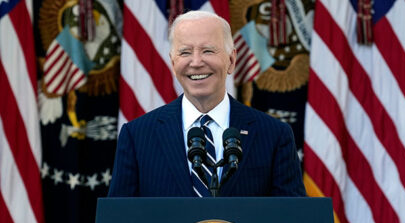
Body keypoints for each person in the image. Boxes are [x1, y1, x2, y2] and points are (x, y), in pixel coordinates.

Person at [108, 10, 306, 197]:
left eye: (208, 51)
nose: (196, 62)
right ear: (173, 63)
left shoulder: (274, 135)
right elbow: (120, 221)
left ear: (231, 60)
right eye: (185, 52)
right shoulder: (137, 136)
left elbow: (292, 221)